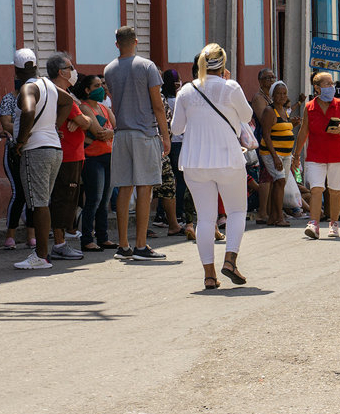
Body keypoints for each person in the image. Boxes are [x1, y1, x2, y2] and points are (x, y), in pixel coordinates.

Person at [172, 43, 252, 289]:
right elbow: (247, 116)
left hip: (195, 161)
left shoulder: (185, 91)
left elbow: (176, 129)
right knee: (236, 211)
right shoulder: (231, 87)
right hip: (228, 158)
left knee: (205, 218)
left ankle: (209, 275)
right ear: (223, 65)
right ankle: (230, 259)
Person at [103, 26, 171, 261]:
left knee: (124, 188)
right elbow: (157, 104)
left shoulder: (109, 69)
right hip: (144, 133)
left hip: (121, 134)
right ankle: (141, 244)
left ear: (117, 44)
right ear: (136, 41)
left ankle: (123, 245)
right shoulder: (147, 66)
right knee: (145, 188)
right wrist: (166, 135)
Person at [12, 50, 74, 269]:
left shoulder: (28, 87)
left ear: (17, 70)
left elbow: (28, 111)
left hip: (36, 149)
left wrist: (20, 141)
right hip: (54, 149)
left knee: (38, 204)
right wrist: (54, 126)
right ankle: (42, 253)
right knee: (43, 202)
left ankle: (41, 255)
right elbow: (68, 102)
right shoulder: (48, 85)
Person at [48, 57, 105, 261]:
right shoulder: (62, 95)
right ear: (61, 72)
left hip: (72, 153)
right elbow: (85, 121)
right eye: (70, 68)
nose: (74, 71)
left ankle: (62, 241)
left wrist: (82, 120)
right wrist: (80, 120)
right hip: (67, 154)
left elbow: (84, 120)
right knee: (63, 200)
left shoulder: (68, 95)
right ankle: (59, 244)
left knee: (68, 199)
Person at [292, 72, 340, 238]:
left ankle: (334, 223)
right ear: (317, 88)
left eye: (332, 84)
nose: (331, 87)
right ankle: (313, 223)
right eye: (328, 84)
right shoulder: (309, 107)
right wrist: (296, 155)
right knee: (316, 189)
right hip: (315, 154)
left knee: (335, 190)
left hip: (337, 154)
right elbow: (303, 130)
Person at [0, 50, 36, 250]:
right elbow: (6, 123)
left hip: (31, 148)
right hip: (14, 150)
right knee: (19, 192)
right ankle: (10, 235)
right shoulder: (8, 98)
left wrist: (21, 124)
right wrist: (25, 125)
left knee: (31, 193)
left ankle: (31, 235)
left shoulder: (35, 93)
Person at [79, 74, 117, 253]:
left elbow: (116, 126)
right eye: (96, 86)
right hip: (92, 158)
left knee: (105, 200)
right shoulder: (84, 108)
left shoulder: (103, 107)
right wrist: (110, 132)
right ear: (87, 90)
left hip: (109, 156)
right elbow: (98, 131)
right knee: (94, 199)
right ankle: (87, 238)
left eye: (102, 84)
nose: (101, 88)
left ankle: (103, 237)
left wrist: (109, 132)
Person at [259, 80, 296, 228]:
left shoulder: (284, 111)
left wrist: (293, 123)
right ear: (273, 95)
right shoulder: (270, 110)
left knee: (279, 184)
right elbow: (266, 134)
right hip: (272, 153)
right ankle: (279, 216)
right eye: (278, 94)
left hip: (286, 154)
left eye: (284, 93)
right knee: (280, 181)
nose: (282, 96)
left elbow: (283, 128)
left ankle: (273, 216)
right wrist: (275, 157)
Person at [161, 69, 190, 231]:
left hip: (169, 142)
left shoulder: (164, 98)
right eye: (175, 80)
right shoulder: (176, 99)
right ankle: (178, 213)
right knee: (180, 180)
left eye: (179, 79)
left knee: (169, 180)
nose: (178, 83)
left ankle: (164, 215)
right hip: (178, 142)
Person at [250, 68, 276, 223]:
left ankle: (273, 210)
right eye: (267, 78)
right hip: (265, 139)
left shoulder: (272, 96)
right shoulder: (259, 98)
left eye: (273, 77)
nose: (271, 80)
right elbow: (263, 119)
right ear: (260, 81)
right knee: (266, 175)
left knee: (274, 176)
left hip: (276, 138)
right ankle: (263, 211)